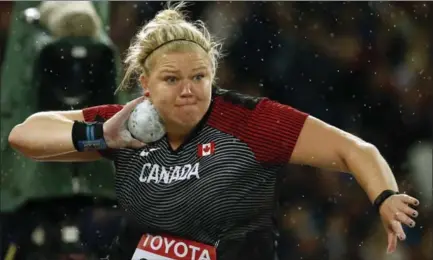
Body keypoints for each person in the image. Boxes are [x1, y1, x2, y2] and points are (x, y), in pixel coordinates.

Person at [8, 2, 420, 260]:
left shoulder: (252, 122)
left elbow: (356, 149)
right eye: (171, 79)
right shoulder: (129, 126)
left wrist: (384, 195)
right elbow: (25, 135)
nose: (188, 90)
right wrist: (101, 137)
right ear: (146, 86)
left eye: (199, 76)